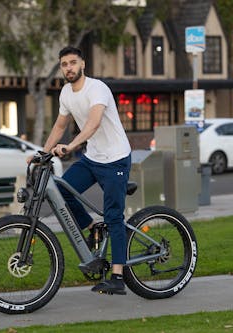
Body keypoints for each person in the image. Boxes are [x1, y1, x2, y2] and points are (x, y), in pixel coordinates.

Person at [33, 46, 132, 295]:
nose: (69, 68)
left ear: (83, 64)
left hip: (116, 159)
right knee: (63, 191)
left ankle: (118, 277)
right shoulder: (66, 93)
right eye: (64, 64)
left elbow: (93, 122)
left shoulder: (97, 88)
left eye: (73, 62)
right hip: (93, 158)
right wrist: (43, 153)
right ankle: (90, 228)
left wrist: (71, 146)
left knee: (113, 217)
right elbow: (59, 125)